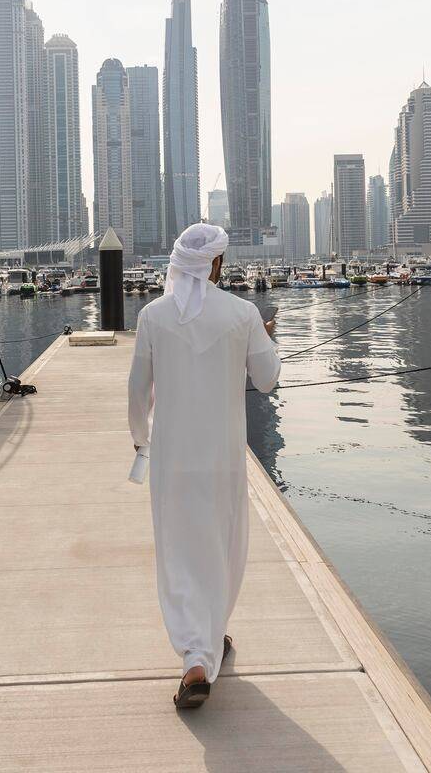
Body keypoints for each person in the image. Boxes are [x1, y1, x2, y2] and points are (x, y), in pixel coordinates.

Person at [128, 223, 280, 709]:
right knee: (222, 543)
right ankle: (205, 645)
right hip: (224, 455)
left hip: (173, 456)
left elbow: (137, 392)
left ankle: (198, 650)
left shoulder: (153, 316)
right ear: (216, 264)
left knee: (178, 551)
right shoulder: (243, 313)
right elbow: (267, 380)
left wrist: (141, 442)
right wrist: (265, 339)